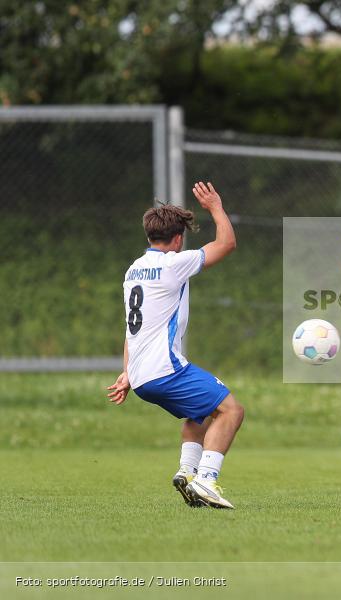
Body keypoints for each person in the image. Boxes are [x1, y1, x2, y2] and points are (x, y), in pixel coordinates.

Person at [106, 182, 241, 509]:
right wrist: (216, 207)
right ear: (178, 239)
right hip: (164, 369)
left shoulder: (133, 270)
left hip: (141, 376)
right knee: (231, 410)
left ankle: (186, 473)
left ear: (150, 236)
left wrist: (127, 372)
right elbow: (226, 244)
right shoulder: (172, 263)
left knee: (200, 416)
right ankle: (206, 482)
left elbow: (130, 329)